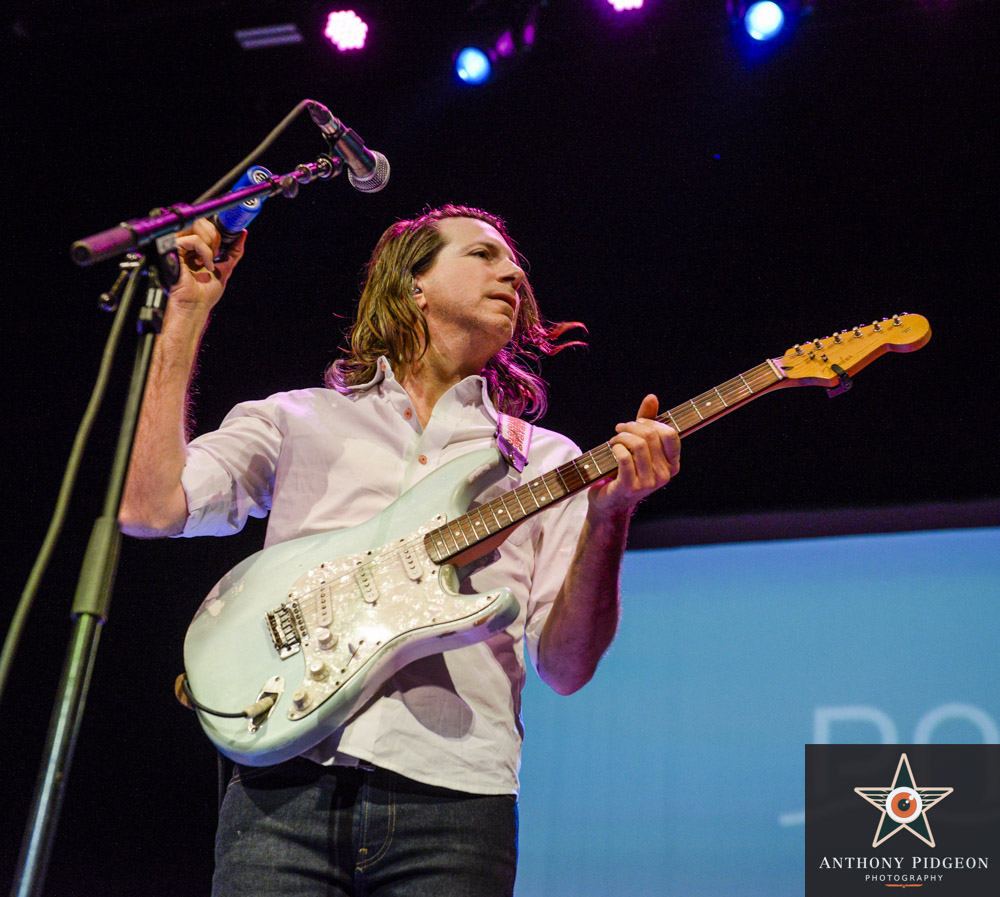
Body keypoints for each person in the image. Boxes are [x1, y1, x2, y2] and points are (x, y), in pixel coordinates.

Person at [119, 204, 680, 896]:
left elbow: (565, 667)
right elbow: (147, 507)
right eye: (483, 255)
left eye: (515, 265)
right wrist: (185, 313)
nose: (513, 273)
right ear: (413, 284)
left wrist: (612, 516)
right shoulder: (300, 419)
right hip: (280, 796)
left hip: (455, 807)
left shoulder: (545, 461)